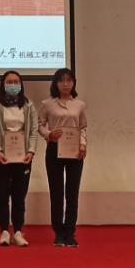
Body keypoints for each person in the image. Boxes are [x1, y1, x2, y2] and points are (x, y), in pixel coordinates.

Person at [0, 70, 40, 246]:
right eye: (9, 82)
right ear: (3, 84)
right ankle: (3, 231)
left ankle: (17, 231)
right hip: (0, 158)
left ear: (21, 85)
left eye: (17, 82)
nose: (13, 85)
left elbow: (33, 130)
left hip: (22, 158)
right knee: (2, 196)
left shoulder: (28, 105)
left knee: (19, 196)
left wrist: (31, 151)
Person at [38, 67, 88, 248]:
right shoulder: (47, 104)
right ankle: (58, 232)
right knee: (56, 192)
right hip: (54, 149)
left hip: (75, 150)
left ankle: (70, 233)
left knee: (72, 193)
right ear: (56, 83)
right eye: (61, 80)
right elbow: (40, 125)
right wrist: (49, 134)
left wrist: (83, 145)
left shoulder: (80, 105)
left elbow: (83, 127)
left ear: (74, 83)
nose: (65, 84)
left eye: (69, 80)